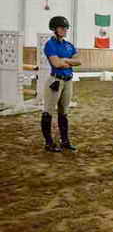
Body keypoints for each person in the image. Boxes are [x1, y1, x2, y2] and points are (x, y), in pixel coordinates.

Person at [41, 16, 82, 152]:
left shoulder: (69, 45)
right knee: (48, 112)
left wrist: (64, 60)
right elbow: (56, 63)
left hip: (68, 81)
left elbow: (79, 61)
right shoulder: (50, 45)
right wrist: (68, 61)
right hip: (55, 81)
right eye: (61, 28)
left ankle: (65, 141)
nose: (64, 30)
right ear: (54, 29)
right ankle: (48, 142)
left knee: (63, 112)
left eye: (65, 28)